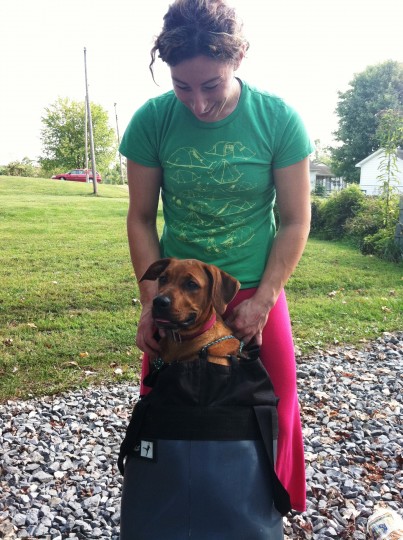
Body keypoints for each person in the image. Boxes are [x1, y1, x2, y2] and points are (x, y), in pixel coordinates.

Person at [120, 0, 313, 520]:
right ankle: (172, 509)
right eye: (182, 86)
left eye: (211, 85)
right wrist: (150, 303)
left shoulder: (277, 119)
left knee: (276, 404)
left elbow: (295, 220)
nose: (198, 103)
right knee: (165, 400)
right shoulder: (152, 121)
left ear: (238, 59)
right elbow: (141, 218)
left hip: (253, 288)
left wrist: (264, 301)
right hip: (177, 292)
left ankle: (266, 513)